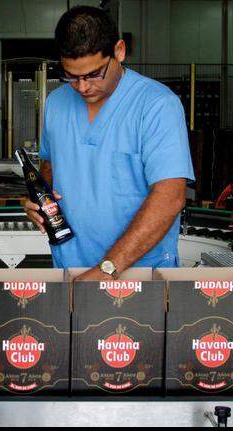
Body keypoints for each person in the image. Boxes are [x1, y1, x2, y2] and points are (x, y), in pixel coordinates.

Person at [23, 5, 194, 281]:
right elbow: (50, 163)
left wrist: (108, 269)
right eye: (71, 76)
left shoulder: (157, 105)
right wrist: (39, 198)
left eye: (93, 74)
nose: (82, 87)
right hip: (69, 265)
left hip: (139, 273)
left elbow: (170, 197)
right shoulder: (56, 103)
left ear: (119, 51)